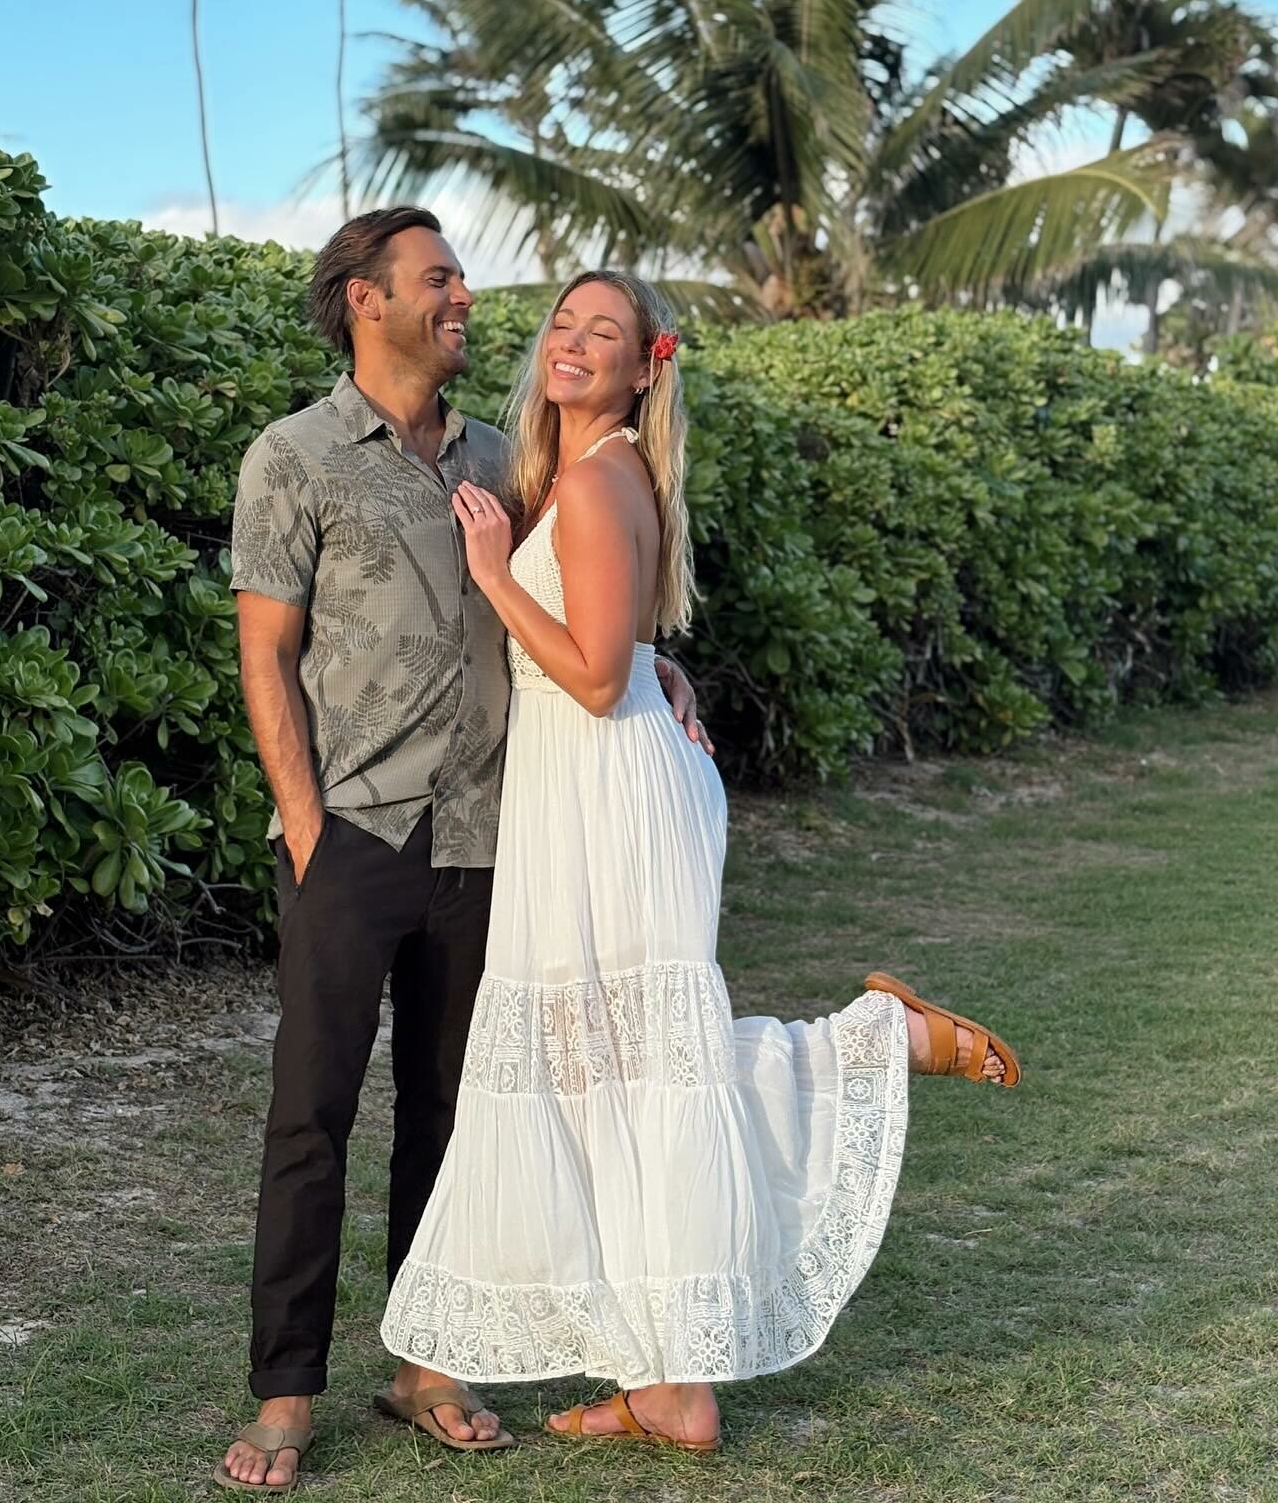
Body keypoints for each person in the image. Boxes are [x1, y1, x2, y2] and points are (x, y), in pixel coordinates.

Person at [380, 269, 1021, 1453]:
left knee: (652, 1064)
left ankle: (883, 1039)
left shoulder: (594, 478)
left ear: (643, 369)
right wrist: (650, 659)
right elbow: (621, 648)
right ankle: (673, 1386)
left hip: (610, 792)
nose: (573, 343)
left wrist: (491, 575)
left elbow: (591, 675)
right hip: (583, 789)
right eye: (564, 322)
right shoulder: (583, 472)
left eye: (604, 333)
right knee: (619, 1070)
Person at [215, 212, 711, 1493]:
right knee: (312, 1114)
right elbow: (266, 650)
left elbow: (577, 592)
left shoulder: (509, 455)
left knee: (455, 1114)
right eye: (438, 278)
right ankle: (285, 1390)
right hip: (351, 830)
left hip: (493, 836)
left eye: (462, 279)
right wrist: (307, 824)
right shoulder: (293, 456)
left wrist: (653, 664)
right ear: (364, 299)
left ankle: (425, 1364)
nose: (465, 297)